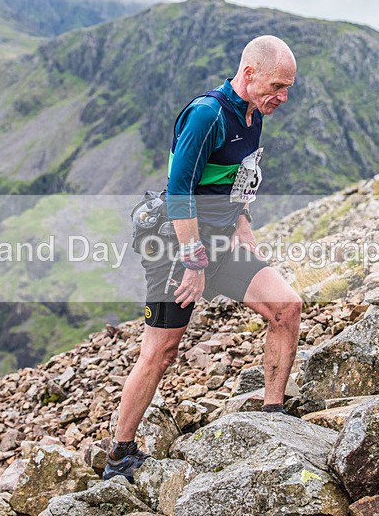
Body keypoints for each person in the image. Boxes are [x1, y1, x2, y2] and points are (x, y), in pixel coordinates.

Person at [103, 35, 301, 482]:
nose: (283, 97)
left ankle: (273, 417)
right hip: (176, 242)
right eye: (277, 86)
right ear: (249, 73)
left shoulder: (254, 112)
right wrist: (194, 262)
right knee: (162, 350)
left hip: (220, 237)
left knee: (287, 308)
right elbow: (180, 190)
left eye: (287, 88)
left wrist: (244, 224)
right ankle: (120, 454)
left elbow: (237, 176)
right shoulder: (207, 114)